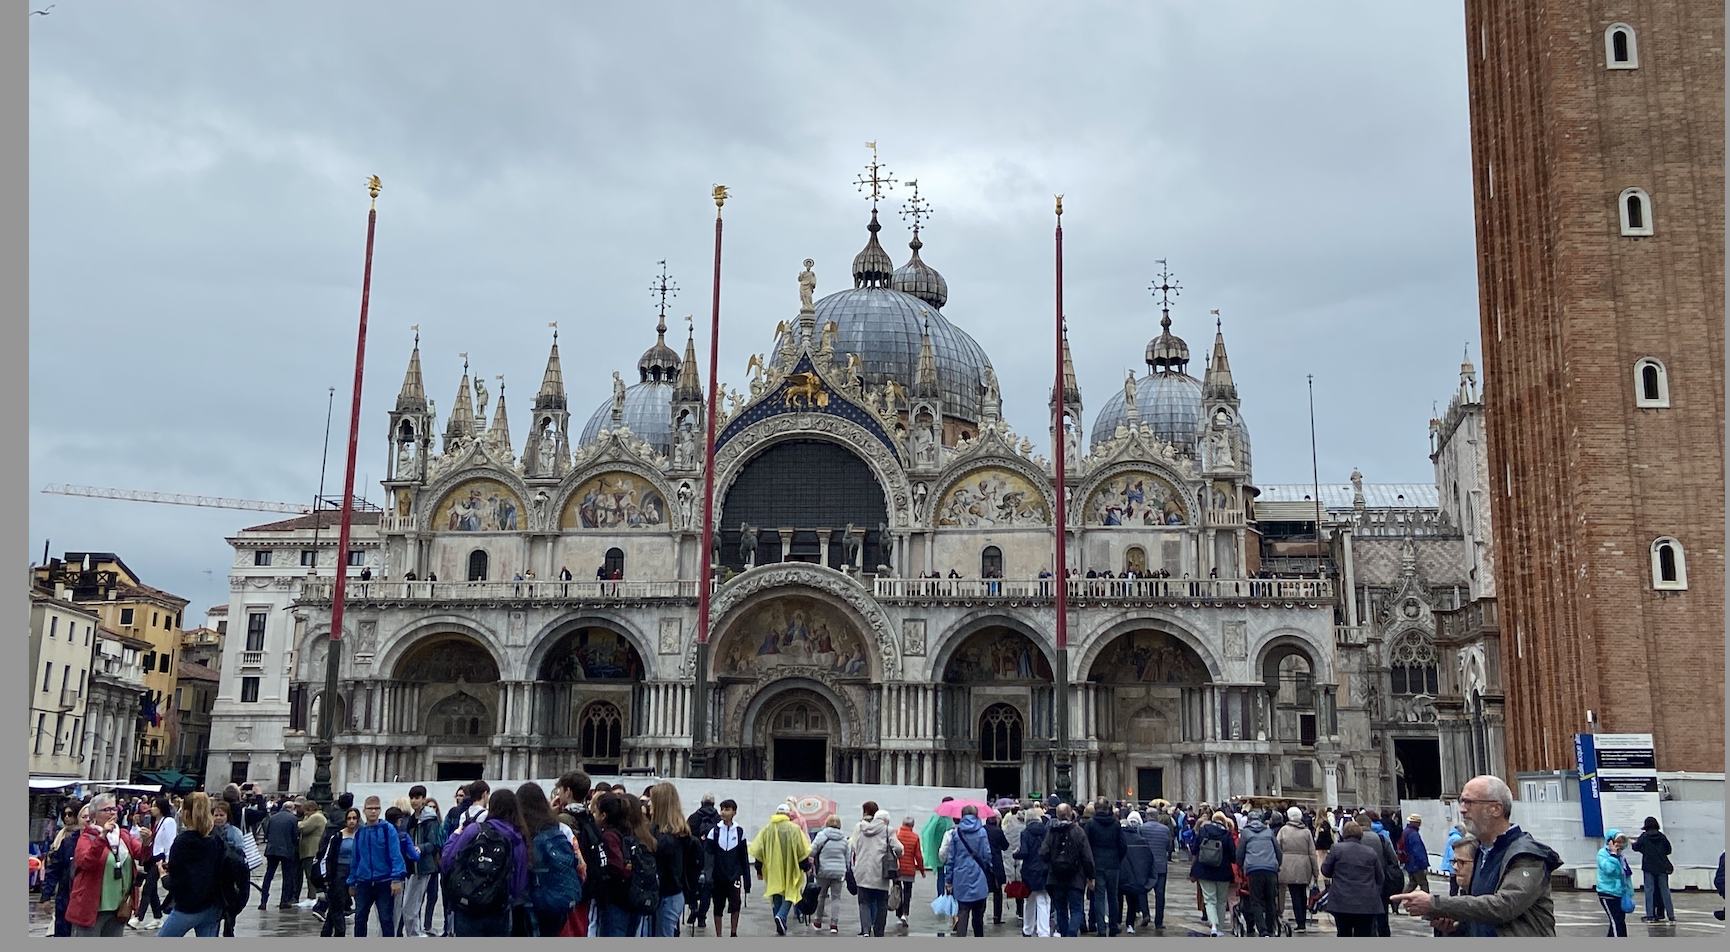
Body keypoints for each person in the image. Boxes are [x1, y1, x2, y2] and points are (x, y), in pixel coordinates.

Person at [1393, 774, 1561, 937]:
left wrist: (1434, 903)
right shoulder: (1481, 851)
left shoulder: (1527, 855)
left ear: (1495, 808)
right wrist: (1452, 929)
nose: (1462, 809)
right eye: (1462, 801)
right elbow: (1478, 917)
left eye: (1469, 802)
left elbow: (1504, 906)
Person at [441, 787, 529, 937]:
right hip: (497, 910)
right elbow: (518, 884)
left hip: (468, 905)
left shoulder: (475, 830)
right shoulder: (517, 837)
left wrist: (455, 836)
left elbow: (447, 861)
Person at [69, 794, 147, 937]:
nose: (112, 812)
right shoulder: (87, 837)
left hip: (118, 908)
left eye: (114, 809)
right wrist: (102, 836)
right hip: (92, 909)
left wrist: (147, 843)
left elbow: (142, 856)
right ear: (94, 815)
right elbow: (86, 862)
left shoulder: (123, 835)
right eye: (106, 809)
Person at [515, 781, 581, 938]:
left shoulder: (521, 831)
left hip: (530, 902)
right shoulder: (560, 828)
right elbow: (579, 863)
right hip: (558, 901)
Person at [157, 793, 227, 937]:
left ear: (186, 813)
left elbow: (178, 882)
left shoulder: (182, 842)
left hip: (188, 908)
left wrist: (164, 876)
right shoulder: (216, 837)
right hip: (213, 906)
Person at [593, 791, 655, 937]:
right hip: (633, 897)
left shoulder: (610, 836)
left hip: (616, 899)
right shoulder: (636, 836)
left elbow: (616, 866)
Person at [748, 803, 810, 936]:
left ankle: (780, 924)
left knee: (776, 893)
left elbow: (759, 850)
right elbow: (801, 851)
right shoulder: (794, 829)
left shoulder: (767, 829)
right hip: (791, 869)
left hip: (772, 868)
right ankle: (781, 917)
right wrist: (806, 867)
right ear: (788, 815)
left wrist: (759, 869)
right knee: (791, 893)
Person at [349, 795, 407, 937]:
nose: (373, 812)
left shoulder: (388, 829)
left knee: (386, 919)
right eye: (370, 809)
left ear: (380, 810)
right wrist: (352, 881)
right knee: (360, 918)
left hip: (384, 881)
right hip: (363, 882)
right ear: (364, 811)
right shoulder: (360, 832)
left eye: (376, 808)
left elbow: (395, 854)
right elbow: (355, 858)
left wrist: (396, 879)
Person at [645, 783, 697, 937]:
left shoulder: (665, 839)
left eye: (651, 799)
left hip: (666, 895)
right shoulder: (679, 832)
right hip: (674, 894)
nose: (648, 803)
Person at [1039, 803, 1095, 937]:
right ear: (1071, 814)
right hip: (1076, 878)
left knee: (1061, 909)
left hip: (1056, 877)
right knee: (1076, 909)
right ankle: (1071, 935)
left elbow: (1043, 853)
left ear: (1057, 815)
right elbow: (1086, 856)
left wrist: (1053, 860)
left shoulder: (1052, 831)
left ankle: (1064, 935)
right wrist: (1091, 876)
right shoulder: (1078, 831)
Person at [1321, 821, 1386, 936]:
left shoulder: (1336, 849)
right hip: (1366, 902)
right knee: (1363, 934)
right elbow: (1380, 877)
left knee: (1343, 933)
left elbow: (1326, 871)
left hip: (1341, 900)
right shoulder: (1370, 852)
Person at [938, 804, 991, 936]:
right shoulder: (982, 832)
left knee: (963, 912)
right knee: (979, 914)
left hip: (961, 877)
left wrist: (948, 880)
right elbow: (987, 854)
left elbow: (951, 859)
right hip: (979, 875)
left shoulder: (956, 833)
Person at [702, 798, 751, 937]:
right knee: (718, 906)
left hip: (734, 876)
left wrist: (747, 881)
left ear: (734, 812)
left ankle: (733, 932)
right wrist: (708, 876)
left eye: (727, 809)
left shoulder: (740, 832)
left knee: (736, 904)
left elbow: (744, 857)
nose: (723, 812)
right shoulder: (715, 832)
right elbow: (708, 856)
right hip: (718, 876)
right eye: (722, 809)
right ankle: (719, 935)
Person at [401, 788, 444, 937]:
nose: (414, 801)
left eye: (417, 797)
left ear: (423, 799)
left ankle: (416, 935)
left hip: (423, 867)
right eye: (411, 798)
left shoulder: (429, 820)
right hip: (413, 866)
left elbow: (434, 843)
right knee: (410, 906)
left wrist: (419, 848)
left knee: (411, 906)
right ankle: (415, 934)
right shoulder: (413, 819)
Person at [853, 808, 903, 936]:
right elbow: (898, 848)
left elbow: (854, 846)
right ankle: (878, 931)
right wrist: (898, 855)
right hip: (880, 872)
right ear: (886, 820)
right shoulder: (888, 830)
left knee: (864, 902)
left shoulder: (861, 828)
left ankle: (865, 930)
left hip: (862, 871)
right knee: (881, 903)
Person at [1083, 796, 1128, 935]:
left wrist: (1089, 864)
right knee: (1113, 897)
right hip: (1113, 864)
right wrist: (1117, 858)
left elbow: (1086, 847)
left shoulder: (1090, 824)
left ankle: (1101, 928)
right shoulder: (1115, 824)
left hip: (1097, 864)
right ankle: (1113, 927)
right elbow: (1123, 845)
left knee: (1099, 897)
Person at [130, 796, 177, 930]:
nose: (152, 809)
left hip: (160, 858)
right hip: (151, 857)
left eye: (155, 806)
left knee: (148, 887)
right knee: (152, 890)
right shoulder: (153, 821)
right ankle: (157, 917)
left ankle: (139, 917)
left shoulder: (168, 822)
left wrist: (167, 862)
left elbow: (170, 841)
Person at [40, 801, 85, 937]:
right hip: (65, 893)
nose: (66, 817)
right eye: (64, 814)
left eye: (70, 814)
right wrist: (46, 895)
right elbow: (54, 869)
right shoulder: (63, 838)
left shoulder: (87, 840)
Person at [1235, 808, 1282, 937]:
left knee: (1255, 900)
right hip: (1271, 868)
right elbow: (1277, 850)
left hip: (1253, 868)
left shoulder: (1245, 833)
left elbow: (1240, 852)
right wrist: (1278, 864)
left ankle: (1262, 930)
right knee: (1270, 899)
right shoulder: (1268, 831)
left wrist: (1239, 865)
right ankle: (1271, 928)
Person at [210, 800, 254, 936]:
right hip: (215, 876)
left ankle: (229, 930)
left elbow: (240, 854)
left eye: (221, 815)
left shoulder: (235, 832)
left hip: (231, 876)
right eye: (216, 815)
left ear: (227, 816)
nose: (218, 818)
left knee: (230, 910)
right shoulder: (209, 831)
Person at [1187, 810, 1234, 937]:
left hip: (1204, 870)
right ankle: (1219, 928)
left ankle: (1213, 925)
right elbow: (1233, 856)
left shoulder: (1203, 831)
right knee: (1222, 901)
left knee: (1209, 900)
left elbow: (1194, 849)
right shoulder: (1227, 834)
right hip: (1223, 872)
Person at [317, 808, 361, 936]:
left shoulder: (361, 835)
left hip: (357, 872)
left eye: (354, 818)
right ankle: (340, 934)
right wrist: (326, 877)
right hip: (339, 873)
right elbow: (327, 857)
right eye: (349, 818)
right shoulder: (337, 836)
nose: (352, 821)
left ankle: (326, 933)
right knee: (338, 905)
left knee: (337, 907)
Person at [1276, 805, 1319, 933]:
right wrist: (1315, 871)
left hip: (1287, 865)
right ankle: (1302, 921)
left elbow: (1277, 849)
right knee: (1302, 894)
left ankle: (1300, 922)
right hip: (1304, 865)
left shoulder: (1283, 830)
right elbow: (1312, 852)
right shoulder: (1306, 832)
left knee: (1294, 893)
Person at [1014, 804, 1053, 937]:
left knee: (1029, 900)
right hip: (1044, 869)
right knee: (1043, 901)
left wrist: (1016, 854)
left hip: (1029, 870)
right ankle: (1044, 931)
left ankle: (1028, 929)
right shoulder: (1047, 830)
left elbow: (1024, 852)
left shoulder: (1025, 833)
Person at [684, 792, 721, 931]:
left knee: (692, 885)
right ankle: (702, 918)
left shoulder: (693, 818)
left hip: (694, 857)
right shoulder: (718, 819)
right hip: (711, 859)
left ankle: (693, 907)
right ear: (713, 804)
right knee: (707, 888)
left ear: (701, 803)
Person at [807, 816, 850, 933]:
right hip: (839, 872)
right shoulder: (844, 839)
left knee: (821, 896)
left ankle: (818, 921)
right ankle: (834, 925)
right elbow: (848, 858)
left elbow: (811, 851)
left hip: (823, 871)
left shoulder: (821, 835)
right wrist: (846, 870)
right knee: (836, 898)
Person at [259, 798, 301, 909]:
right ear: (291, 809)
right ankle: (284, 901)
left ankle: (263, 901)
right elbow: (295, 836)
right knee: (287, 876)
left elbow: (266, 834)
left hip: (271, 850)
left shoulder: (273, 818)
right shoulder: (293, 819)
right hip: (286, 850)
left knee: (269, 875)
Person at [1137, 804, 1173, 932]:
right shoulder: (1165, 829)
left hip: (1145, 865)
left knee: (1142, 890)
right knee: (1160, 894)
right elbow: (1169, 846)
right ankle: (1159, 921)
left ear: (1147, 816)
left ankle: (1145, 913)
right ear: (1157, 817)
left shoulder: (1141, 828)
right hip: (1160, 865)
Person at [1632, 815, 1674, 922]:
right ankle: (1671, 914)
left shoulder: (1644, 836)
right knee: (1665, 891)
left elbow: (1636, 847)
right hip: (1662, 866)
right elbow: (1668, 850)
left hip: (1648, 866)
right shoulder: (1661, 836)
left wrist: (1633, 843)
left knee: (1649, 891)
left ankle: (1650, 914)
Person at [1595, 829, 1634, 937]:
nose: (1620, 845)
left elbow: (1625, 875)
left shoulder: (1621, 857)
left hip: (1620, 893)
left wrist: (1629, 892)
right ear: (1610, 841)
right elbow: (1609, 869)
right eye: (1617, 842)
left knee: (1619, 921)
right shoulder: (1603, 854)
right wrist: (1612, 855)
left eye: (1622, 842)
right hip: (1608, 892)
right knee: (1617, 922)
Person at [1119, 812, 1153, 934]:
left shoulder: (1118, 838)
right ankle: (1130, 923)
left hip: (1120, 873)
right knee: (1132, 900)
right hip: (1135, 874)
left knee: (1118, 897)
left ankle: (1117, 921)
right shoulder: (1140, 839)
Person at [893, 815, 926, 928]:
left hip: (896, 869)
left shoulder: (895, 833)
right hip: (909, 869)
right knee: (907, 892)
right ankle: (905, 914)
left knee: (897, 892)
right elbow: (918, 856)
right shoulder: (915, 837)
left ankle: (898, 915)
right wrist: (922, 870)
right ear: (912, 825)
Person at [296, 798, 326, 907]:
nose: (304, 813)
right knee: (309, 874)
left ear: (311, 809)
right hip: (310, 848)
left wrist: (300, 822)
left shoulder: (316, 817)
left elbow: (303, 828)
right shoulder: (316, 816)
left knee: (310, 874)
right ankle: (311, 895)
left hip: (311, 849)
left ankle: (312, 896)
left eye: (306, 811)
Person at [1400, 814, 1430, 894]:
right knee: (1423, 884)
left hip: (1409, 862)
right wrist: (1424, 865)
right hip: (1416, 864)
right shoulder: (1414, 834)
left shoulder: (1405, 832)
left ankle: (1398, 899)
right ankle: (1427, 902)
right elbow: (1418, 851)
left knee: (1412, 884)